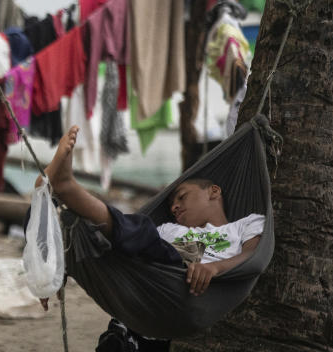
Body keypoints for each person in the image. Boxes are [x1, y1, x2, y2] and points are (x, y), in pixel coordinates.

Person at [41, 125, 264, 298]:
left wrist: (214, 268)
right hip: (158, 271)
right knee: (133, 232)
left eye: (182, 197)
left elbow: (252, 257)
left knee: (144, 234)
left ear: (213, 192)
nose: (174, 207)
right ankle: (58, 192)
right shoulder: (168, 229)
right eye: (171, 205)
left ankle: (64, 187)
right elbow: (131, 239)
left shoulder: (245, 224)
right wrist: (62, 270)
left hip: (183, 282)